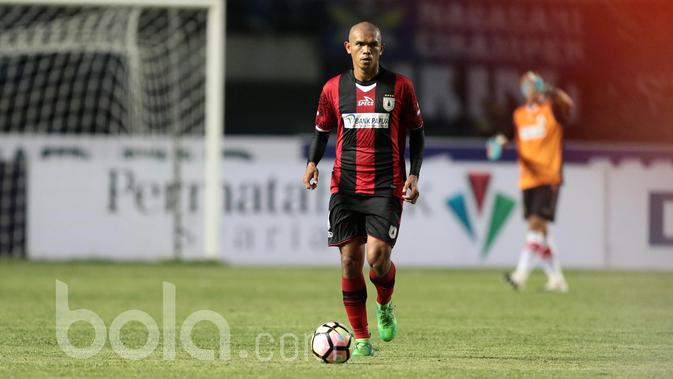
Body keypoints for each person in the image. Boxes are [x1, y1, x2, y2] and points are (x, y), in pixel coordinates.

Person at [303, 21, 425, 357]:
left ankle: (384, 304)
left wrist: (414, 174)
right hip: (344, 187)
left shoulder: (400, 87)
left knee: (377, 257)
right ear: (348, 48)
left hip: (386, 186)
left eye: (372, 45)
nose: (366, 50)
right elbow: (321, 130)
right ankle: (360, 338)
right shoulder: (333, 89)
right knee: (349, 261)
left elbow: (417, 133)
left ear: (381, 48)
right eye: (360, 45)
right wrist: (313, 163)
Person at [487, 71, 574, 293]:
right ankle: (557, 280)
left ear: (540, 86)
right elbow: (508, 135)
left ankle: (520, 274)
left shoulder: (551, 109)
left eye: (533, 84)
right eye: (526, 85)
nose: (530, 88)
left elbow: (568, 105)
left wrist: (551, 91)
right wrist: (497, 142)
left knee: (535, 225)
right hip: (528, 179)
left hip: (548, 177)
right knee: (541, 231)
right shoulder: (519, 114)